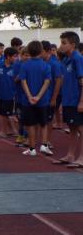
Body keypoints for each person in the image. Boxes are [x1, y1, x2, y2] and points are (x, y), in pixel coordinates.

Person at [53, 32, 83, 168]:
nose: (61, 46)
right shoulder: (66, 60)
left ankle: (81, 157)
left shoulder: (78, 58)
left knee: (81, 129)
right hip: (68, 100)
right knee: (72, 129)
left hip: (77, 100)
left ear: (73, 44)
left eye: (64, 43)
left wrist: (82, 101)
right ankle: (71, 155)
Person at [19, 40, 52, 156]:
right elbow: (47, 82)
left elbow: (23, 82)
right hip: (42, 100)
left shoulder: (24, 65)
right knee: (43, 123)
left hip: (28, 101)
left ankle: (32, 148)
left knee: (31, 124)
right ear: (40, 50)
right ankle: (44, 145)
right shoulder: (46, 65)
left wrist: (29, 96)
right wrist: (38, 96)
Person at [0, 47, 18, 138]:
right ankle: (13, 131)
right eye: (14, 56)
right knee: (3, 114)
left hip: (10, 95)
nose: (16, 58)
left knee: (6, 114)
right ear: (8, 57)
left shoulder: (16, 67)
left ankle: (4, 132)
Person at [41, 41, 63, 150]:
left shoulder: (54, 64)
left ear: (48, 51)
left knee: (48, 119)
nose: (40, 54)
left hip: (53, 95)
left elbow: (59, 80)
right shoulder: (42, 61)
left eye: (42, 51)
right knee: (42, 118)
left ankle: (47, 141)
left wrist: (54, 98)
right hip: (44, 95)